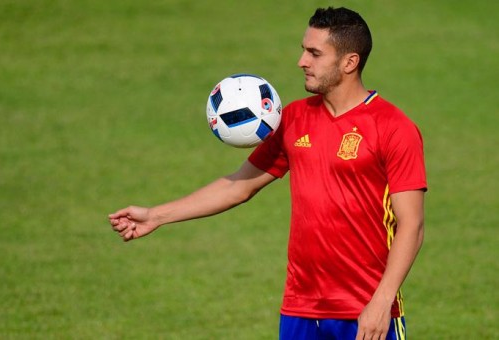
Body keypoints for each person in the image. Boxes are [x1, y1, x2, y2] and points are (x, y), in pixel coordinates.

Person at [109, 7, 426, 340]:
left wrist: (382, 301)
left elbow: (412, 224)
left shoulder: (393, 128)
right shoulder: (292, 119)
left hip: (365, 309)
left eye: (314, 53)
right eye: (304, 49)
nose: (302, 61)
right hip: (300, 308)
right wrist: (156, 216)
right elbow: (238, 187)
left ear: (349, 62)